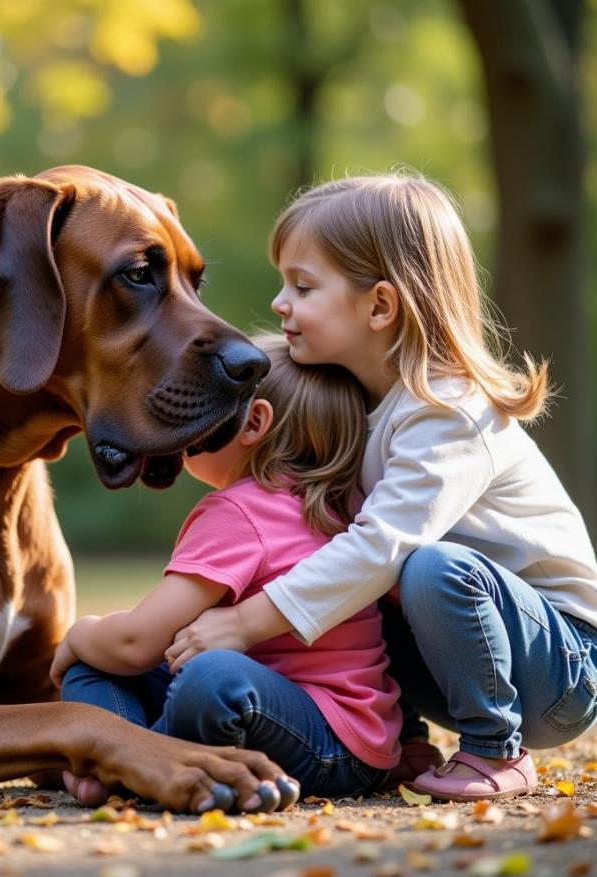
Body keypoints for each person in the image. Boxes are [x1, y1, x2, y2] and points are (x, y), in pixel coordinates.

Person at [163, 174, 597, 802]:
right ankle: (399, 740)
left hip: (560, 665)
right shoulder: (360, 408)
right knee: (348, 570)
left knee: (422, 566)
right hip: (454, 657)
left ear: (380, 306)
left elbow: (381, 548)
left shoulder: (447, 409)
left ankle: (496, 750)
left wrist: (243, 624)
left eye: (303, 286)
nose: (280, 303)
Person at [50, 335, 402, 806]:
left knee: (199, 674)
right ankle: (121, 757)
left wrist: (79, 635)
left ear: (253, 422)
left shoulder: (238, 513)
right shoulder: (344, 508)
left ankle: (134, 763)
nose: (187, 415)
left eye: (206, 400)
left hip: (323, 745)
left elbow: (137, 643)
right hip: (350, 744)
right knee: (130, 670)